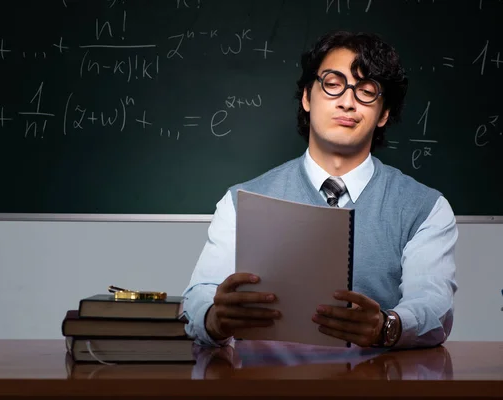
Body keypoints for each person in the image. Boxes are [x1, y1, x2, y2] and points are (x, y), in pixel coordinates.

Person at [181, 30, 458, 349]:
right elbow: (198, 297)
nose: (347, 101)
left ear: (383, 114)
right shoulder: (240, 202)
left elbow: (434, 308)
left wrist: (386, 326)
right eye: (333, 84)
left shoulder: (425, 208)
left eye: (366, 91)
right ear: (307, 97)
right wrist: (214, 319)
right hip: (264, 388)